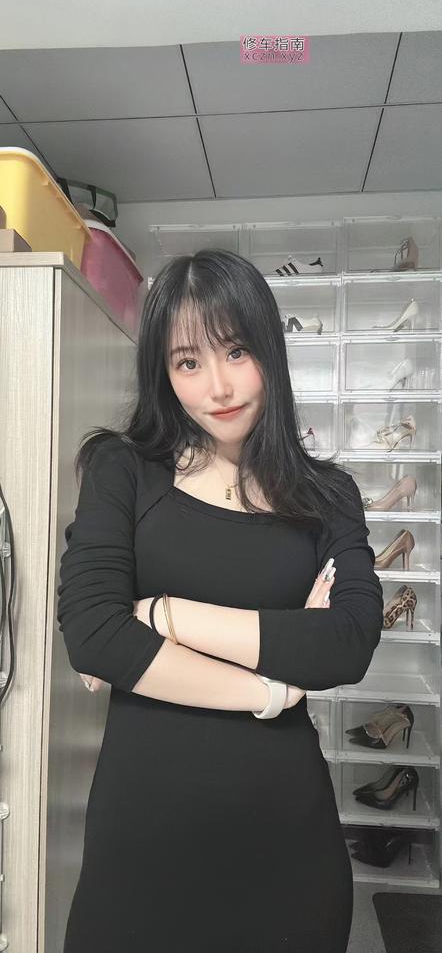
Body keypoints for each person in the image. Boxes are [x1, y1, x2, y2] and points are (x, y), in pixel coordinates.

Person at [57, 249, 384, 953]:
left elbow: (348, 640)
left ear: (268, 349)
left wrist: (163, 616)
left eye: (236, 351)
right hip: (144, 848)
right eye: (188, 361)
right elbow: (93, 632)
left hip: (287, 849)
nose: (218, 386)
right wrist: (272, 690)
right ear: (164, 372)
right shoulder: (123, 470)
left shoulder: (328, 496)